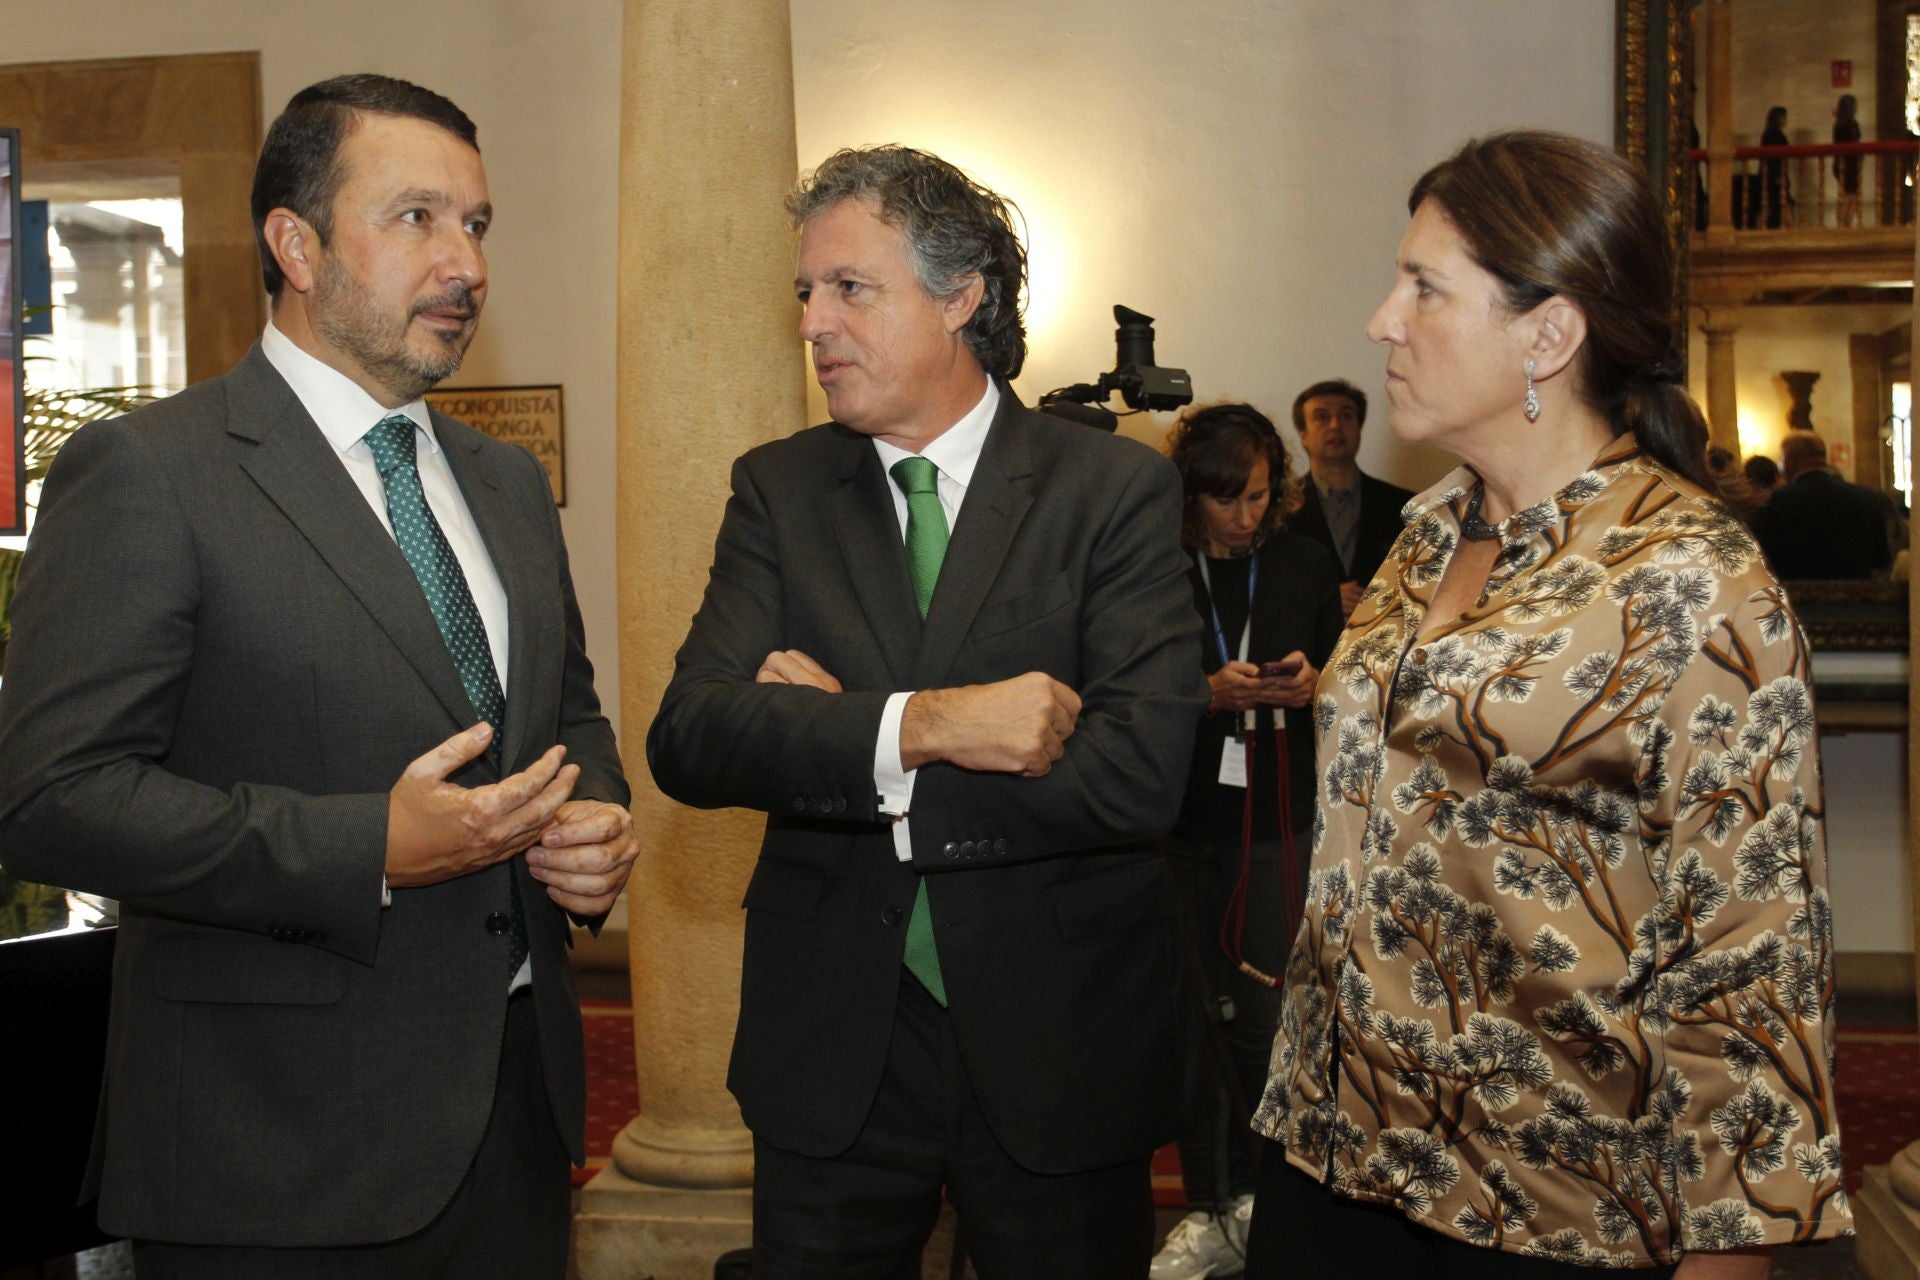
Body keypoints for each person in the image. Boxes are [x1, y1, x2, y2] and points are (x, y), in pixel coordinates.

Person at [0, 75, 636, 1279]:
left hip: (514, 1120)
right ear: (295, 245)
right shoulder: (151, 473)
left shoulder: (502, 482)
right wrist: (368, 845)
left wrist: (593, 820)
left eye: (476, 225)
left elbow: (568, 718)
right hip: (271, 1148)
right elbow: (54, 796)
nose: (465, 264)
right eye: (416, 219)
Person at [1246, 131, 1850, 1277]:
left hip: (1546, 1196)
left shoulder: (1691, 578)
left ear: (1550, 334)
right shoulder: (1426, 534)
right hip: (1333, 1153)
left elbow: (1750, 959)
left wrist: (1730, 1255)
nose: (1382, 320)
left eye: (1424, 287)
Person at [646, 145, 1207, 1278]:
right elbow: (694, 735)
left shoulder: (1112, 490)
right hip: (833, 1042)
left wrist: (840, 733)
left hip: (1059, 1035)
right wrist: (927, 725)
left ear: (961, 298)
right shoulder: (779, 490)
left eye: (850, 287)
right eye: (806, 291)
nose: (813, 322)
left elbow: (1138, 771)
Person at [1150, 403, 1343, 1280]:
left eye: (1258, 496)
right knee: (1194, 1026)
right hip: (1181, 827)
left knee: (1270, 1021)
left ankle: (1270, 1206)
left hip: (1279, 824)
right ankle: (1208, 1205)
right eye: (1224, 499)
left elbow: (1349, 678)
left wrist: (1314, 683)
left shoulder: (1303, 562)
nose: (1243, 516)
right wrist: (1206, 692)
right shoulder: (1159, 569)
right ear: (1190, 495)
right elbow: (1126, 690)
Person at [1287, 378, 1415, 619]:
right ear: (1303, 435)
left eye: (1346, 416)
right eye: (1322, 417)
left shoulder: (1406, 506)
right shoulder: (1280, 508)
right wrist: (1320, 598)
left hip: (1385, 634)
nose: (1335, 425)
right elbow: (1269, 589)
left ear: (1359, 428)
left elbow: (1423, 585)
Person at [1751, 431, 1892, 579]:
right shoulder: (1867, 497)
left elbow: (1764, 562)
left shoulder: (1775, 501)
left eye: (1781, 460)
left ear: (1790, 461)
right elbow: (1882, 560)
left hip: (1797, 592)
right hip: (1856, 592)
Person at [1833, 94, 1863, 229]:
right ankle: (1845, 224)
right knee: (1850, 196)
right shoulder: (1850, 124)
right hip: (1849, 164)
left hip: (1843, 164)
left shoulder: (1838, 124)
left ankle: (1844, 223)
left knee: (1848, 195)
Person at [1762, 104, 1792, 228]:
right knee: (1780, 204)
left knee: (1775, 205)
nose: (1786, 120)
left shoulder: (1769, 133)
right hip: (1776, 176)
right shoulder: (1774, 134)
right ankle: (1789, 227)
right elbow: (1773, 158)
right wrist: (1778, 176)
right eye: (1784, 117)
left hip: (1775, 175)